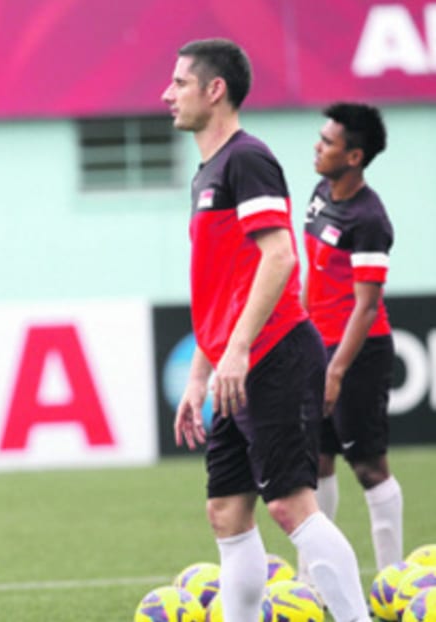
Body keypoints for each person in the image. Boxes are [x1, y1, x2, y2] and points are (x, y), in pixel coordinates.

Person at [163, 39, 371, 621]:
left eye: (179, 83)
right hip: (236, 362)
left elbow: (279, 258)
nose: (167, 94)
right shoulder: (208, 171)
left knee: (289, 505)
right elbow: (223, 285)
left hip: (273, 354)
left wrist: (237, 349)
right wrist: (201, 374)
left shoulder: (245, 159)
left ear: (215, 90)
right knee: (227, 513)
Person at [300, 103, 402, 576]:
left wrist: (336, 371)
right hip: (314, 344)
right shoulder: (321, 192)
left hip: (358, 354)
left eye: (328, 142)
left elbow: (365, 305)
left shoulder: (370, 220)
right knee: (315, 462)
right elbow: (313, 274)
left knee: (368, 466)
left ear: (355, 156)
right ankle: (313, 580)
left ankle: (392, 580)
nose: (317, 148)